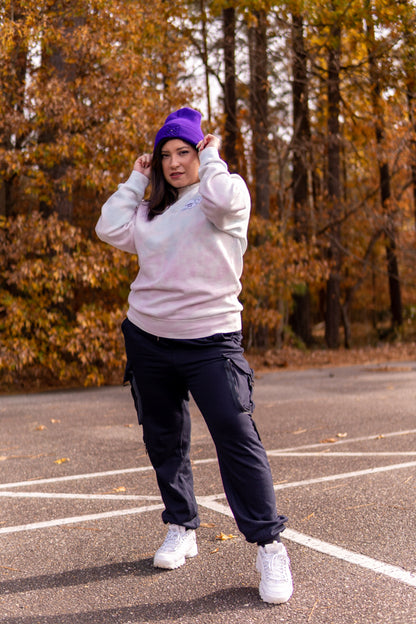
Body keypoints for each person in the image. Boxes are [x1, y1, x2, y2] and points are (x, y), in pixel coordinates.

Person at [95, 107, 293, 604]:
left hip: (210, 342)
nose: (174, 162)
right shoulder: (151, 211)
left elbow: (224, 197)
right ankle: (182, 525)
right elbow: (108, 226)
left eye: (184, 151)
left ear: (201, 152)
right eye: (165, 155)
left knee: (235, 434)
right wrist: (135, 178)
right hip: (147, 338)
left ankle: (269, 543)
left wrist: (213, 160)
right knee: (164, 438)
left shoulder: (220, 196)